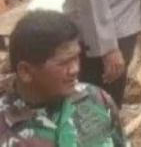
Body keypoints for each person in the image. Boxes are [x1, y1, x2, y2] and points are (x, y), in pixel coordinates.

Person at [0, 11, 128, 145]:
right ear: (26, 71)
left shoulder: (95, 99)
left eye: (76, 58)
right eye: (63, 63)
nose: (75, 69)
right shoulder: (4, 127)